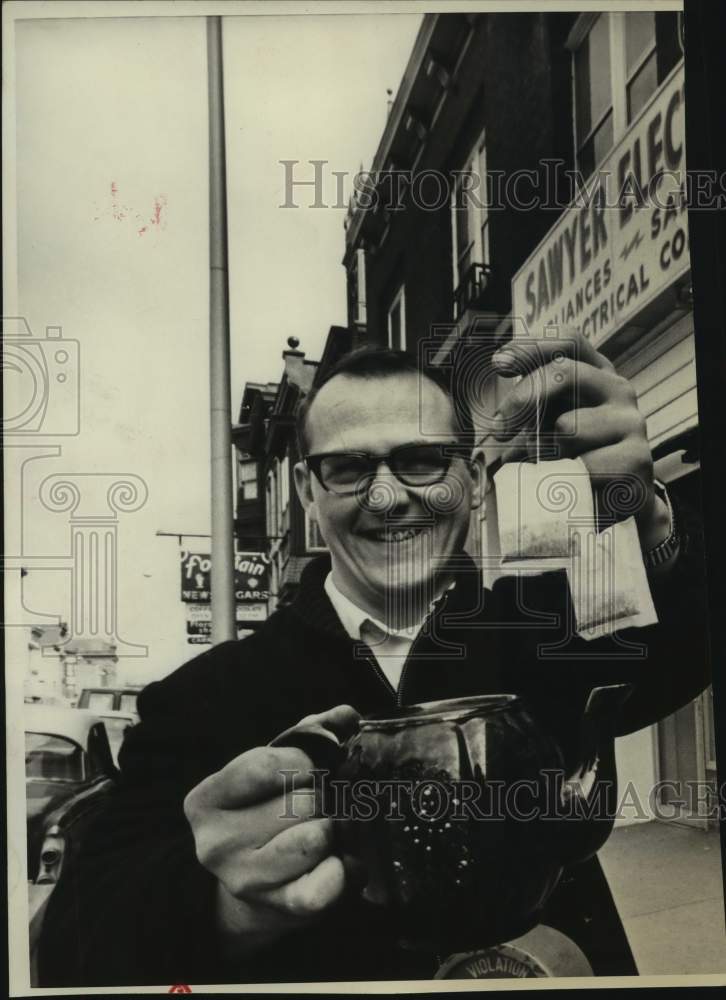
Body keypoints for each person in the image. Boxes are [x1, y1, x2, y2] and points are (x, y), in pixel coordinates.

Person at [38, 336, 710, 985]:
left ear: (473, 478)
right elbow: (74, 944)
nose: (387, 498)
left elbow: (688, 637)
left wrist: (646, 520)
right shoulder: (199, 699)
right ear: (307, 490)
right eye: (350, 467)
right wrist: (221, 907)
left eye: (421, 460)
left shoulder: (550, 627)